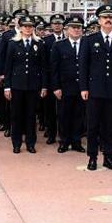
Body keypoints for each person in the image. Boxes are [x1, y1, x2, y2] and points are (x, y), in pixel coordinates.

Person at [79, 5, 112, 171]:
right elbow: (83, 66)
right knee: (93, 125)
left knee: (111, 125)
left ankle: (108, 157)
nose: (108, 20)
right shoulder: (89, 40)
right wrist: (83, 87)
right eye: (104, 17)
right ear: (99, 20)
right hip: (94, 89)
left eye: (111, 17)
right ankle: (92, 157)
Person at [4, 15, 48, 154]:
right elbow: (8, 67)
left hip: (33, 85)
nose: (28, 29)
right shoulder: (12, 43)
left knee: (31, 115)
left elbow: (43, 67)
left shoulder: (39, 43)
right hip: (17, 85)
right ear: (20, 28)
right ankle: (16, 143)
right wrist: (7, 86)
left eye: (30, 26)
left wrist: (44, 86)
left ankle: (30, 143)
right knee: (16, 115)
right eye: (25, 26)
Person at [51, 16, 86, 153]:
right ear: (67, 29)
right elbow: (54, 68)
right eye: (73, 27)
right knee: (64, 115)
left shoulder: (86, 44)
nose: (76, 30)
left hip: (81, 87)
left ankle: (76, 141)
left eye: (79, 27)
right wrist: (56, 87)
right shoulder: (59, 45)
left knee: (79, 115)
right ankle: (64, 141)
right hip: (64, 87)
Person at [41, 14, 66, 145]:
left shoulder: (68, 39)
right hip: (50, 80)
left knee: (64, 110)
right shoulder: (46, 41)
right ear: (51, 25)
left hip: (65, 80)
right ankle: (51, 134)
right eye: (55, 23)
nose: (57, 25)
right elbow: (44, 65)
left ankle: (63, 135)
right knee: (50, 109)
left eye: (59, 23)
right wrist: (44, 84)